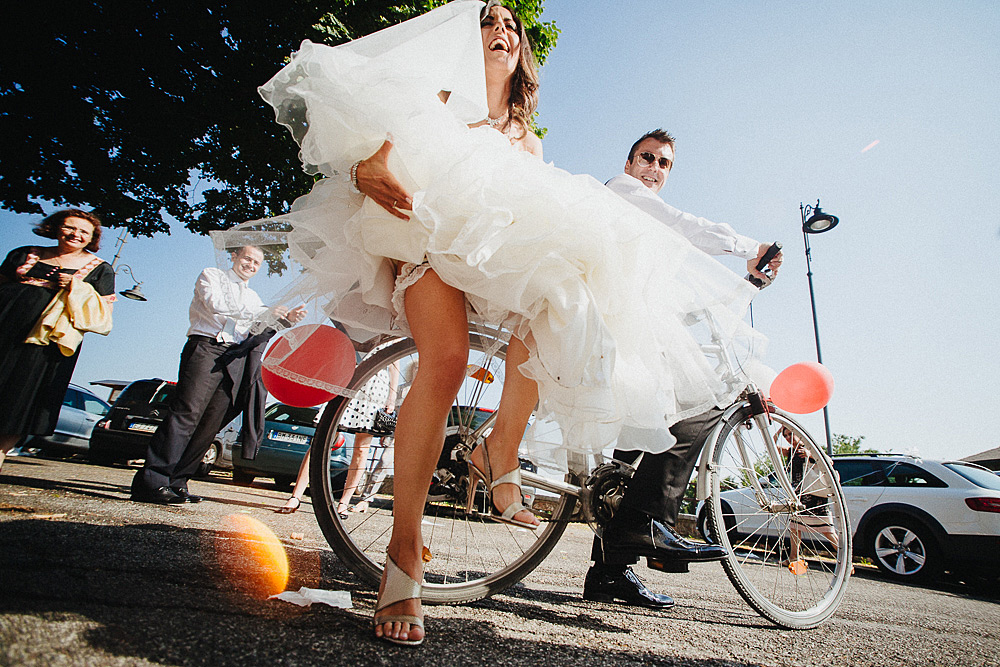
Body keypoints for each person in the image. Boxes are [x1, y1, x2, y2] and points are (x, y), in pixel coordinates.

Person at [223, 0, 773, 646]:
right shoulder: (443, 95)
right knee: (448, 358)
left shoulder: (527, 140)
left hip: (490, 263)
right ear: (467, 40)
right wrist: (364, 163)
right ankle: (404, 554)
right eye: (491, 22)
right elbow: (375, 141)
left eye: (513, 26)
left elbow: (531, 226)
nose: (504, 31)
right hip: (425, 237)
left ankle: (498, 446)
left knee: (566, 295)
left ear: (523, 59)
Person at [584, 130, 784, 609]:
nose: (655, 168)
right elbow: (685, 225)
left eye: (665, 163)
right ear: (629, 163)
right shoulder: (623, 192)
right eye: (647, 158)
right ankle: (649, 523)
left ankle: (610, 574)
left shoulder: (649, 234)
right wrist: (748, 245)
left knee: (631, 457)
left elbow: (692, 309)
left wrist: (750, 282)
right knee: (705, 407)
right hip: (615, 329)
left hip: (630, 333)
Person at [130, 245, 305, 504]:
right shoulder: (212, 276)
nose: (251, 265)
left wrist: (286, 319)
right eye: (247, 258)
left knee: (211, 422)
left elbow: (256, 329)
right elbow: (217, 305)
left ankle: (178, 481)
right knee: (186, 414)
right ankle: (152, 481)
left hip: (233, 357)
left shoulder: (253, 296)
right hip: (205, 348)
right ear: (234, 257)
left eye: (257, 263)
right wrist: (265, 311)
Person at [0, 209, 115, 473]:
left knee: (20, 398)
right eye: (70, 228)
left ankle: (1, 453)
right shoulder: (24, 253)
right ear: (54, 228)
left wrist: (76, 287)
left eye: (84, 232)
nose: (76, 234)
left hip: (46, 345)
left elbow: (103, 314)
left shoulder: (100, 269)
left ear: (92, 238)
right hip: (5, 328)